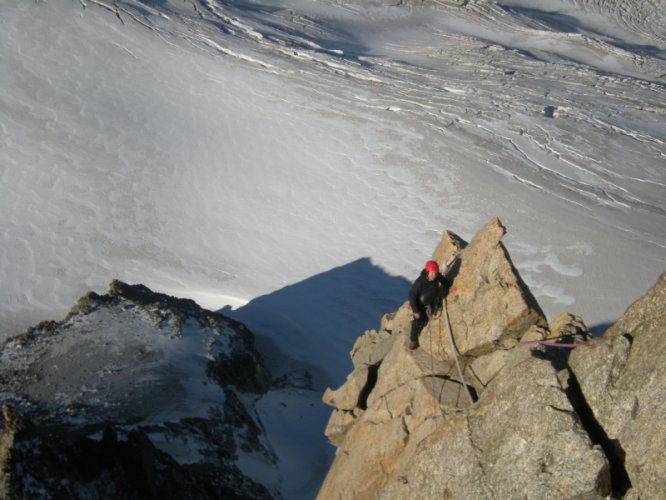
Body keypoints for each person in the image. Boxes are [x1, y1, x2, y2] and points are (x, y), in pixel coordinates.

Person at [408, 260, 454, 350]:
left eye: (436, 272)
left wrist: (449, 286)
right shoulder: (420, 282)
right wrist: (416, 311)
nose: (434, 275)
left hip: (431, 302)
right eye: (432, 273)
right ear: (427, 272)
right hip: (419, 305)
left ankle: (422, 322)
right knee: (417, 320)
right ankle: (413, 340)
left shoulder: (437, 277)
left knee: (426, 318)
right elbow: (412, 295)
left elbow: (443, 280)